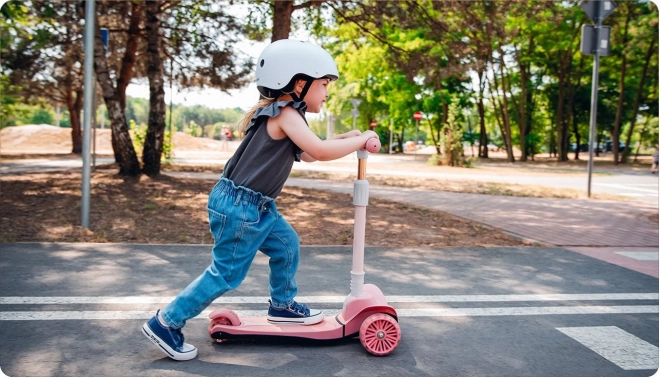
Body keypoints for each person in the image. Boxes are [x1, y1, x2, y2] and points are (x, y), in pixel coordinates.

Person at [141, 39, 378, 361]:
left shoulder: (287, 114)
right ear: (299, 83)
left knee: (286, 245)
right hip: (241, 209)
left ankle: (283, 305)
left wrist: (347, 139)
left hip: (256, 207)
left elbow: (309, 152)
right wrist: (362, 139)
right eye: (323, 84)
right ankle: (166, 322)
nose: (326, 92)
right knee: (226, 274)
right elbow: (320, 153)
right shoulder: (285, 113)